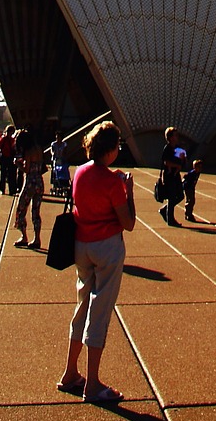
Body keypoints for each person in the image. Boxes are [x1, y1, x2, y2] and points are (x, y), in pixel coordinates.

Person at [57, 120, 135, 404]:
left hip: (81, 246)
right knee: (99, 312)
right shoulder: (114, 182)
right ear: (112, 151)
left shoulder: (80, 172)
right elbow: (128, 224)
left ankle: (70, 373)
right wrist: (129, 191)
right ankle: (92, 384)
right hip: (107, 248)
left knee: (83, 306)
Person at [13, 128, 45, 249]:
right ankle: (37, 238)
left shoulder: (28, 151)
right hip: (39, 182)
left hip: (30, 182)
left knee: (21, 208)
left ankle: (24, 236)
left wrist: (18, 164)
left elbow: (27, 169)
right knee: (36, 211)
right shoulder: (38, 149)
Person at [159, 126, 186, 226]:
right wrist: (176, 165)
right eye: (175, 135)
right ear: (170, 137)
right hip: (169, 175)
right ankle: (170, 219)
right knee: (172, 196)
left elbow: (181, 158)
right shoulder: (168, 148)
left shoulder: (177, 148)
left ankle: (164, 210)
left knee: (180, 195)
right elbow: (166, 162)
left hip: (176, 175)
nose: (177, 137)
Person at [0, 123, 17, 195]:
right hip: (8, 157)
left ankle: (4, 189)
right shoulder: (11, 140)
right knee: (9, 174)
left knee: (4, 174)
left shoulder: (4, 139)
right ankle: (10, 190)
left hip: (5, 157)